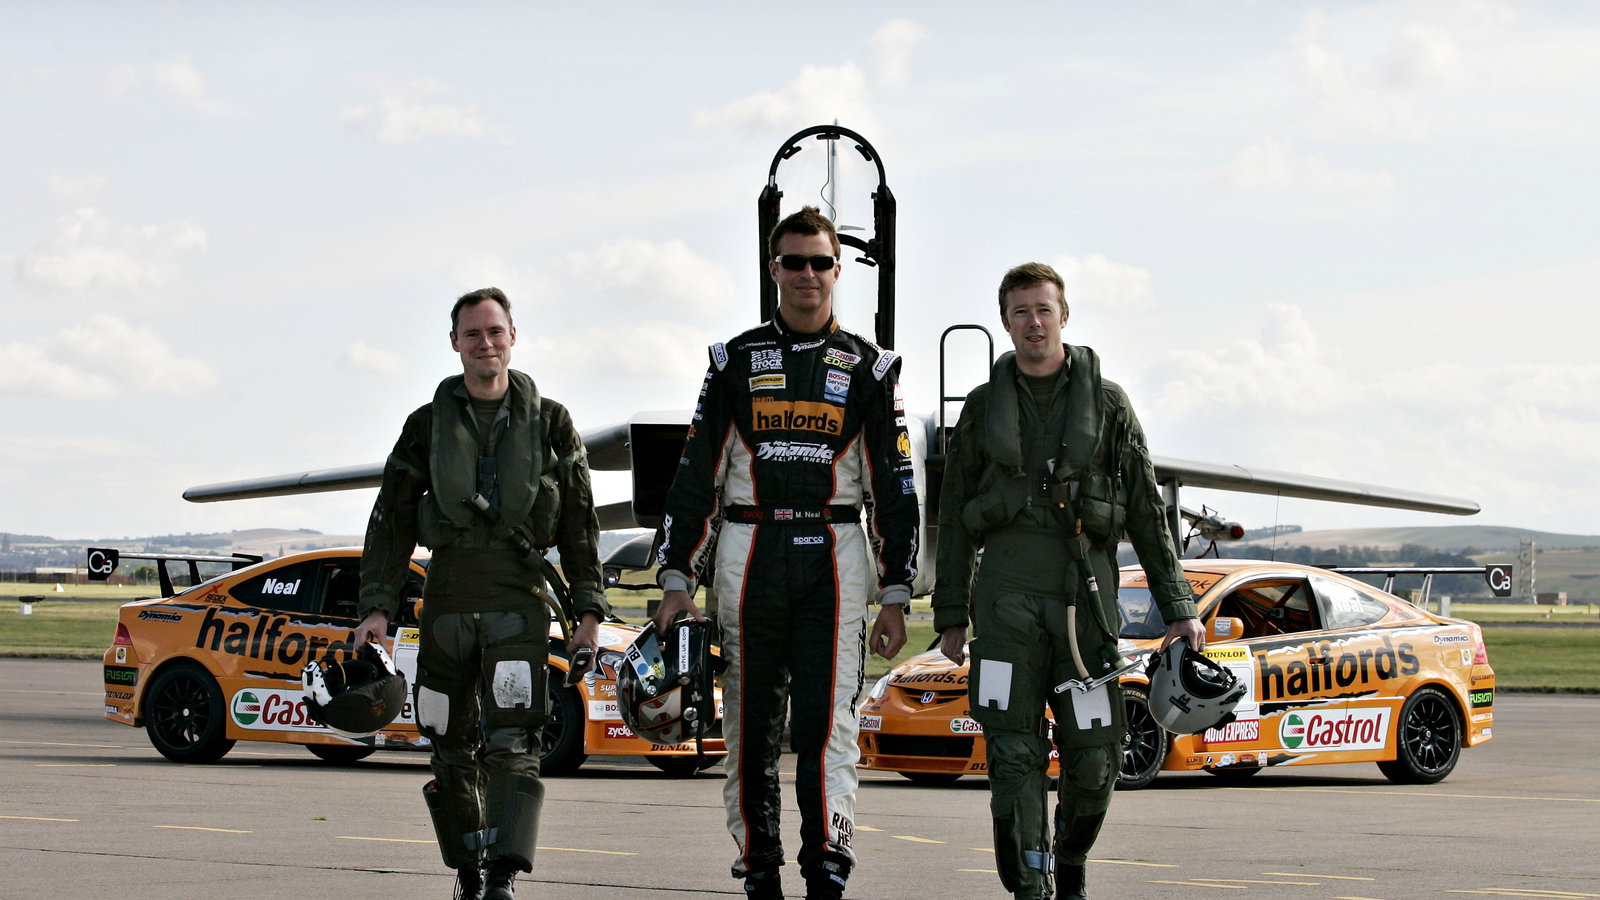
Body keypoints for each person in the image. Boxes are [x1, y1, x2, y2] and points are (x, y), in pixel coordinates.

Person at [652, 206, 919, 900]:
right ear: (773, 269)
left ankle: (828, 868)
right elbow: (693, 480)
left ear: (838, 270)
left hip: (835, 552)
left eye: (821, 262)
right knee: (749, 727)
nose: (807, 274)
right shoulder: (733, 362)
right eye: (794, 261)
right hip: (748, 552)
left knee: (828, 728)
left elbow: (896, 491)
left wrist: (896, 592)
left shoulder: (871, 367)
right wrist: (677, 577)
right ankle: (759, 869)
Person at [933, 263, 1204, 900]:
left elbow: (1146, 511)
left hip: (1086, 612)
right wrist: (951, 611)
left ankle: (1071, 855)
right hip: (1004, 613)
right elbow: (952, 515)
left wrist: (1178, 607)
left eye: (1044, 309)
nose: (1033, 322)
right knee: (1014, 757)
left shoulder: (1108, 406)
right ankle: (1031, 886)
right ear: (1005, 321)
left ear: (1064, 314)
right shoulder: (980, 410)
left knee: (1094, 758)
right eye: (1021, 311)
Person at [354, 287, 608, 900]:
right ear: (455, 343)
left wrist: (589, 612)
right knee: (445, 736)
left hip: (517, 605)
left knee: (513, 740)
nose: (485, 343)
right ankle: (466, 869)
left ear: (513, 336)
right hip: (445, 605)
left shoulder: (551, 422)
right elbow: (390, 519)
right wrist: (376, 609)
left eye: (495, 331)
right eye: (473, 334)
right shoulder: (426, 425)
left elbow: (578, 524)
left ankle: (501, 874)